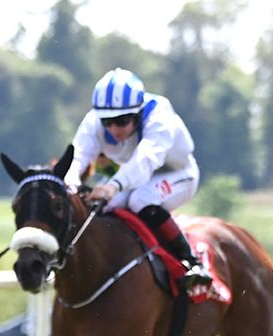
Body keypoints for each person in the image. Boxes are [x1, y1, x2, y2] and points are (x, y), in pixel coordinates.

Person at [64, 68, 211, 288]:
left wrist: (113, 185)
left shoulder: (159, 115)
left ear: (138, 113)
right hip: (133, 176)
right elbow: (77, 157)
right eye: (107, 122)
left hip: (178, 174)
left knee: (140, 199)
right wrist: (70, 184)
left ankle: (190, 261)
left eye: (121, 121)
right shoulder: (93, 120)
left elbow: (145, 159)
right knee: (101, 206)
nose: (113, 129)